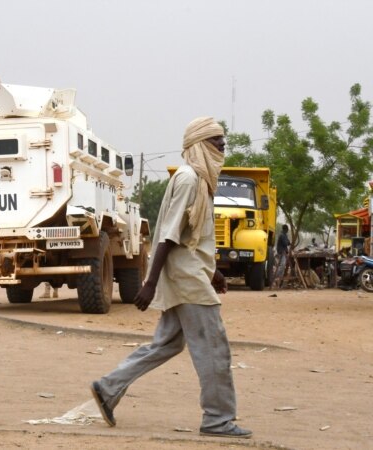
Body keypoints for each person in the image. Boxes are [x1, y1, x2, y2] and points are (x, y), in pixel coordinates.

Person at [89, 117, 252, 439]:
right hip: (187, 280)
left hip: (189, 274)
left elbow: (191, 240)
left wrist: (214, 272)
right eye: (216, 140)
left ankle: (108, 387)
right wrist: (149, 283)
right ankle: (218, 419)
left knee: (166, 343)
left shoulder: (200, 180)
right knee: (214, 347)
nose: (222, 146)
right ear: (199, 145)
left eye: (222, 140)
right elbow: (168, 236)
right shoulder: (191, 179)